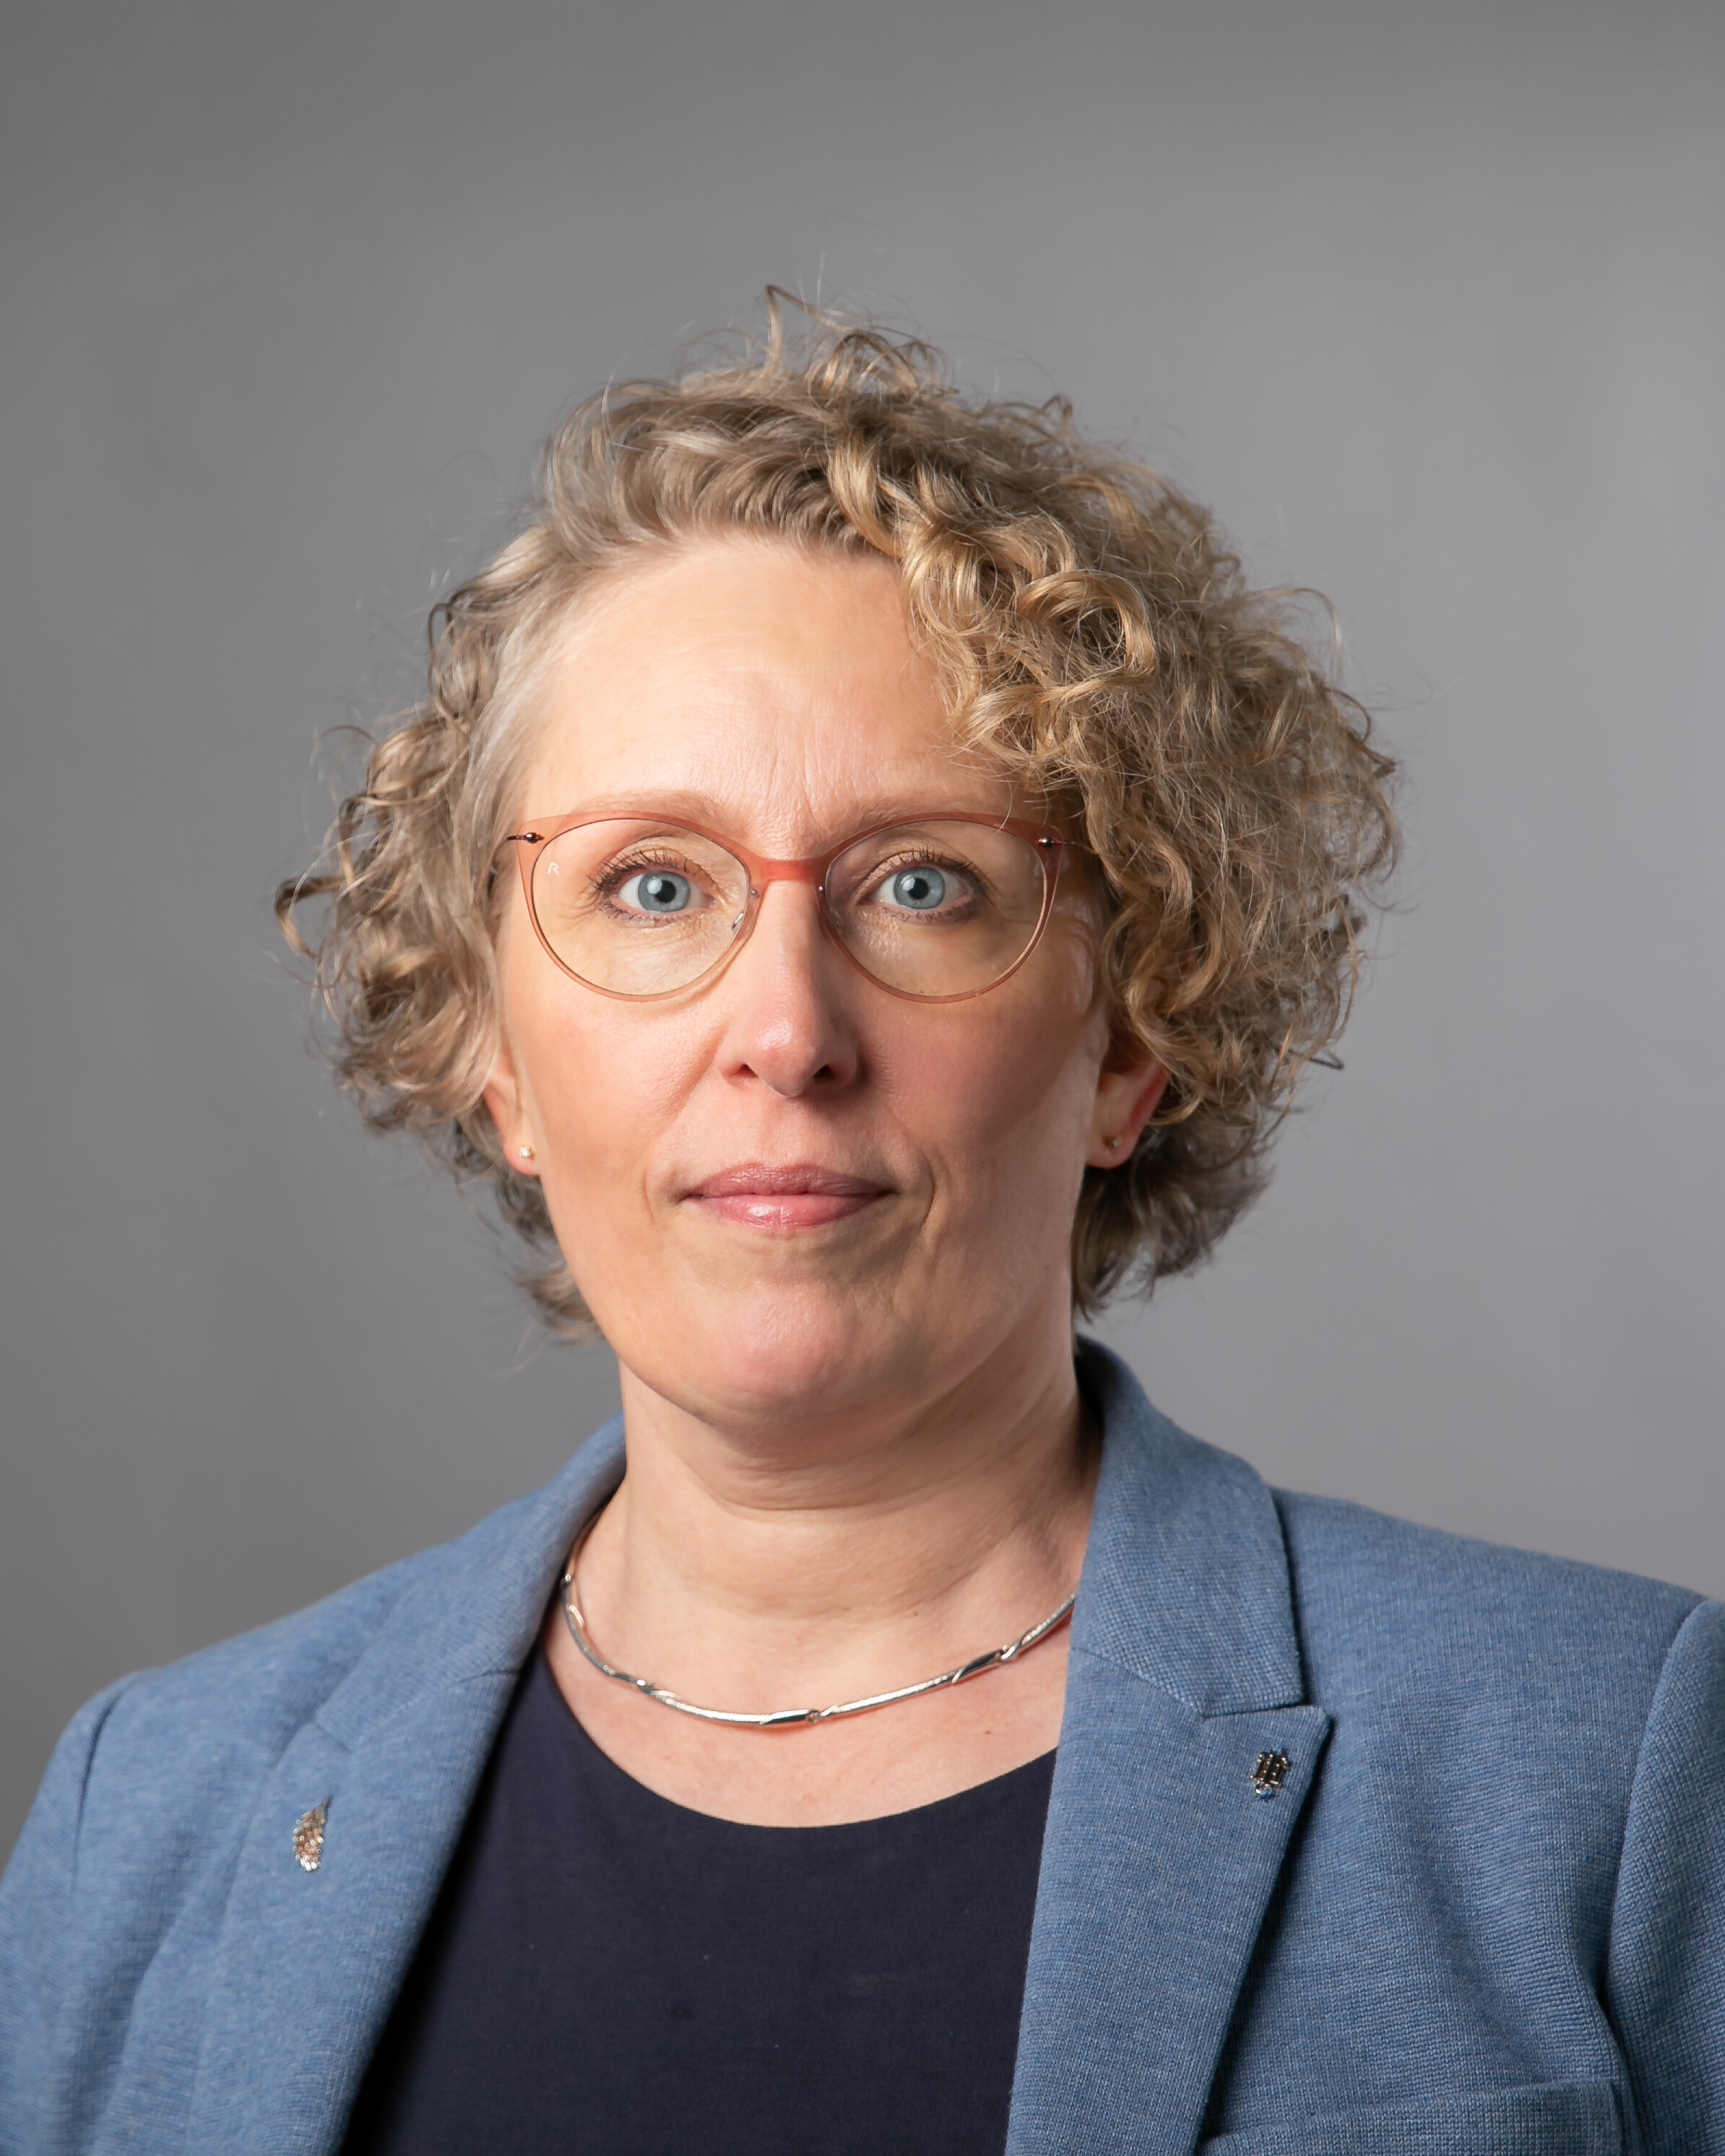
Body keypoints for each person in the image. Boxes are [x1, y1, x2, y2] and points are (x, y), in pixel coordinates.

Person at [1, 303, 1719, 2156]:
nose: (788, 1029)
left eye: (922, 882)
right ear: (491, 1049)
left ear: (1134, 1041)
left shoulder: (1605, 1773)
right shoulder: (147, 1816)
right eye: (653, 886)